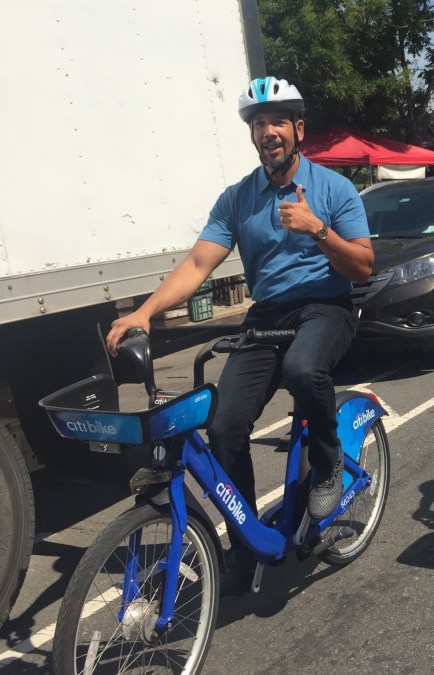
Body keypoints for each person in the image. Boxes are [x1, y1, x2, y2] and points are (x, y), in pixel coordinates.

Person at [106, 76, 374, 594]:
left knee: (303, 369)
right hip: (267, 315)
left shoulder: (334, 189)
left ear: (298, 129)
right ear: (251, 136)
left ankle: (327, 461)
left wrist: (317, 230)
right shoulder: (237, 199)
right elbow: (198, 264)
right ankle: (245, 541)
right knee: (224, 426)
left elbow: (363, 266)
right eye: (258, 124)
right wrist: (146, 311)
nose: (268, 131)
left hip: (327, 307)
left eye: (278, 121)